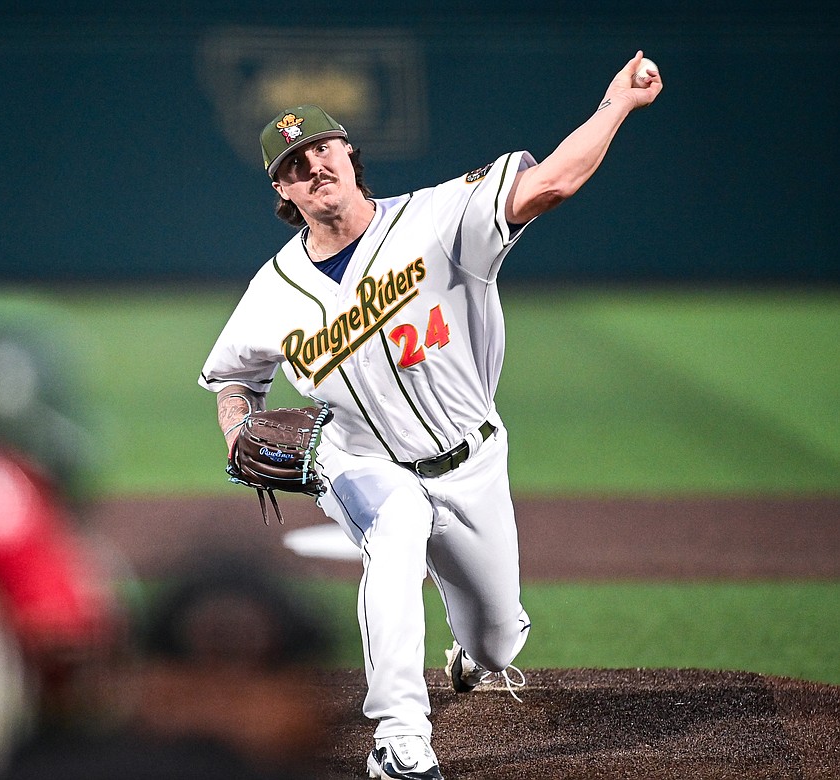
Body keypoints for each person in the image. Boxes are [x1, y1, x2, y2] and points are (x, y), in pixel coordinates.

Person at [198, 52, 662, 779]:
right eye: (294, 164)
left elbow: (554, 182)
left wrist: (616, 105)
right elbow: (232, 377)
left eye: (322, 149)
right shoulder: (271, 290)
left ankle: (471, 655)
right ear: (281, 191)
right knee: (396, 529)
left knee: (499, 640)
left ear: (350, 155)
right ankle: (399, 735)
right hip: (361, 461)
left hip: (470, 457)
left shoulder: (438, 218)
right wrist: (236, 429)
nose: (314, 166)